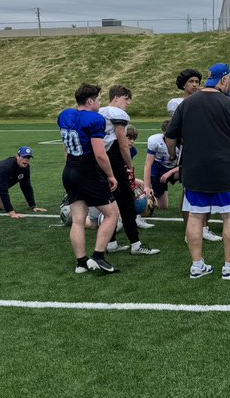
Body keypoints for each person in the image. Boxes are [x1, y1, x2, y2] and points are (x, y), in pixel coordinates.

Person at [165, 62, 230, 279]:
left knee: (195, 216)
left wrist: (173, 156)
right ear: (223, 80)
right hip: (226, 171)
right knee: (229, 216)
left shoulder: (186, 104)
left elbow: (170, 136)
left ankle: (197, 266)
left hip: (194, 171)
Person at [58, 83, 120, 274]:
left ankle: (81, 262)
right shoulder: (95, 119)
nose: (100, 103)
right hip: (87, 172)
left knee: (78, 219)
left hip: (69, 170)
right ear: (90, 101)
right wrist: (110, 175)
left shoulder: (65, 114)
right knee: (112, 213)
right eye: (99, 99)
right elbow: (100, 154)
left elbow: (67, 148)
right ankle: (99, 255)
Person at [99, 85, 159, 258]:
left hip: (100, 162)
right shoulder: (117, 113)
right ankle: (136, 244)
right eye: (126, 99)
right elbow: (123, 142)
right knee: (126, 204)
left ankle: (111, 243)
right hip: (114, 160)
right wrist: (130, 166)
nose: (128, 104)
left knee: (110, 205)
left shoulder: (100, 111)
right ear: (117, 97)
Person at [143, 120, 182, 212]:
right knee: (163, 206)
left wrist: (170, 172)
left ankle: (188, 202)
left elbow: (186, 165)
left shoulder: (182, 141)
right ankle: (147, 191)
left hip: (175, 169)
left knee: (187, 174)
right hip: (159, 168)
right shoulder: (155, 140)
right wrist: (147, 186)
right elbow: (148, 164)